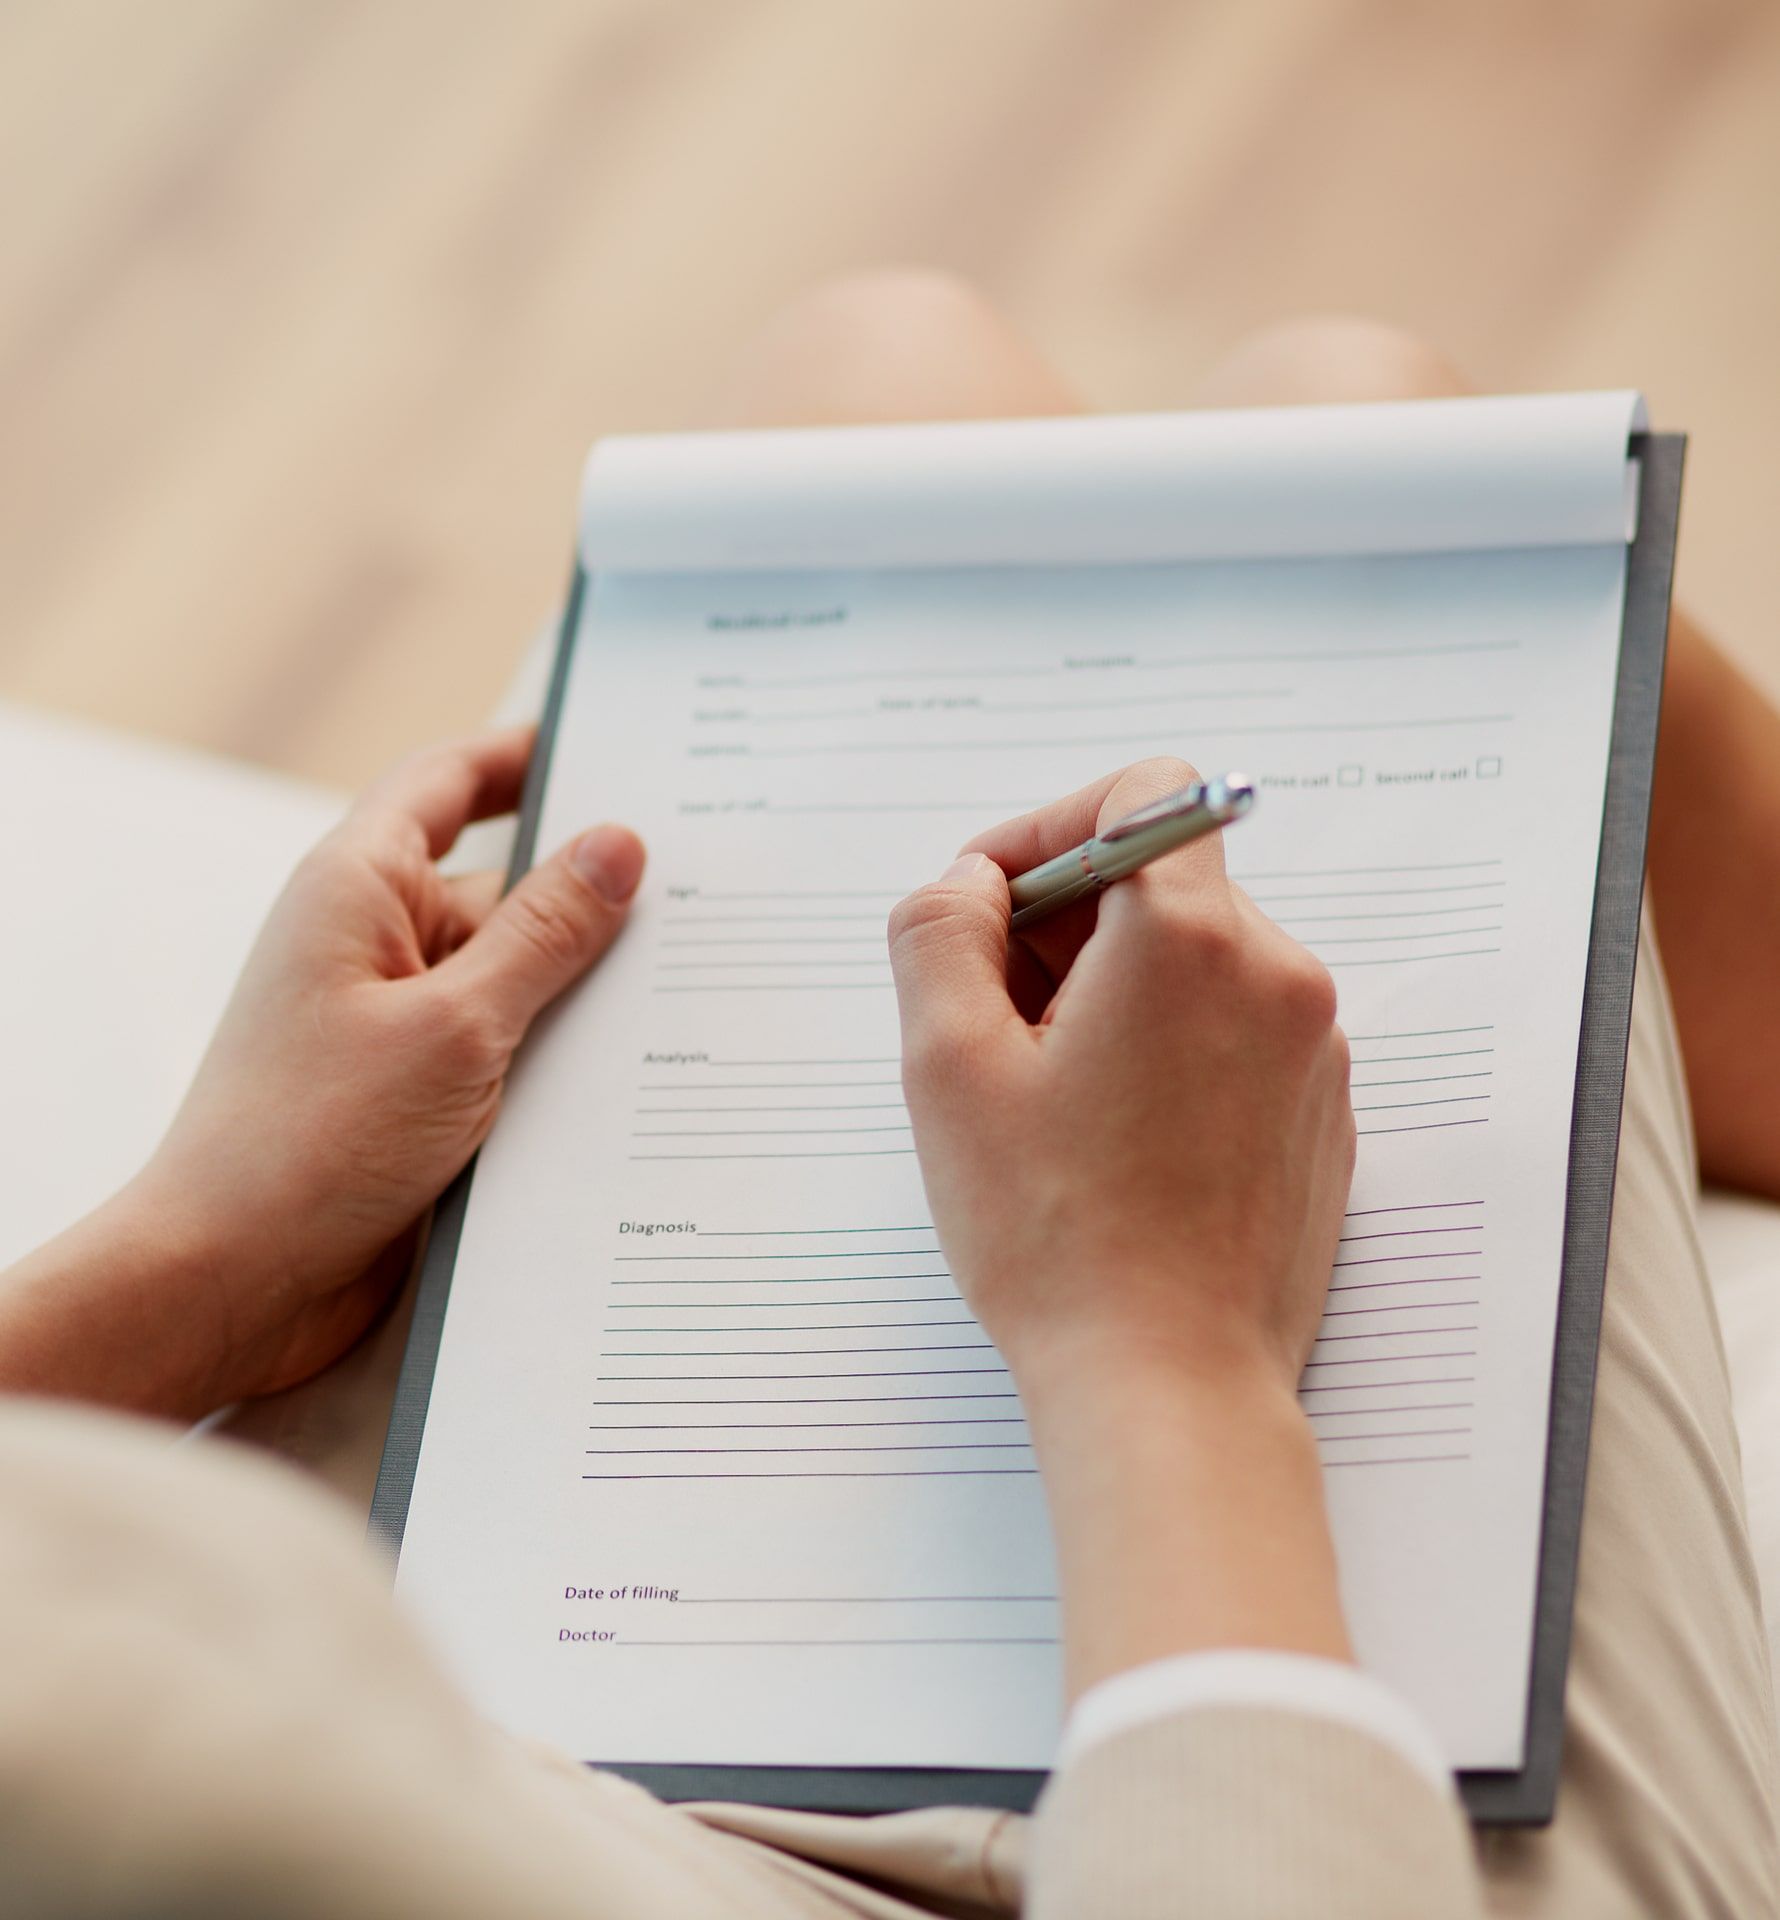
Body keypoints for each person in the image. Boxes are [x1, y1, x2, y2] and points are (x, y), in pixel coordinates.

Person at [1, 277, 1778, 1918]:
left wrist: (201, 1263)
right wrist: (1164, 1348)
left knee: (889, 376)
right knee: (1366, 426)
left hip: (418, 1723)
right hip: (1272, 1827)